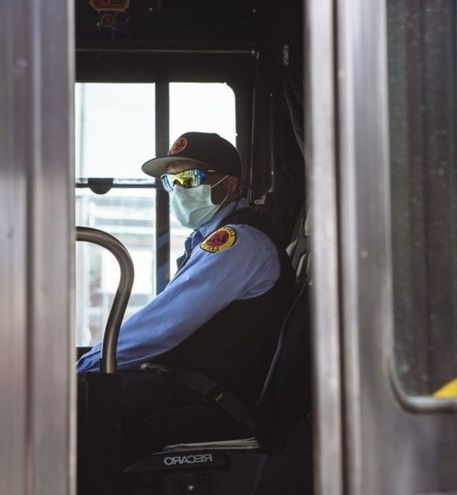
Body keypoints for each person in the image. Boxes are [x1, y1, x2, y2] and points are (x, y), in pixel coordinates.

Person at [77, 132, 295, 488]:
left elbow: (164, 326)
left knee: (81, 407)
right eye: (170, 181)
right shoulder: (212, 240)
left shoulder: (237, 243)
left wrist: (89, 366)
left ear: (230, 184)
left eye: (189, 178)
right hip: (193, 383)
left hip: (216, 398)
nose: (178, 189)